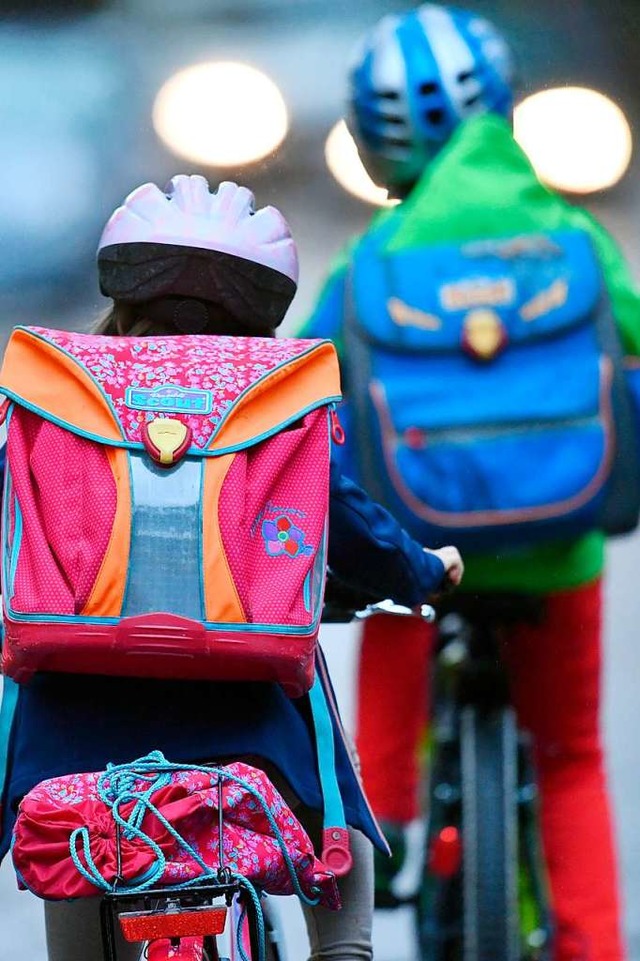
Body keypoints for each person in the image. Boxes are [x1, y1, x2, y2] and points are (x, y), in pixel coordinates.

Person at [0, 174, 462, 961]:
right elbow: (341, 519)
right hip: (246, 719)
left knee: (72, 839)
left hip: (71, 715)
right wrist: (421, 570)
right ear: (261, 307)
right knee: (331, 818)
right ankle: (342, 949)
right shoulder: (273, 397)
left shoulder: (57, 390)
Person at [301, 6, 640, 961]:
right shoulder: (572, 232)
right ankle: (592, 946)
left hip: (427, 534)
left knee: (395, 596)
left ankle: (392, 821)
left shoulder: (377, 254)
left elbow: (305, 377)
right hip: (559, 539)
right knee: (571, 755)